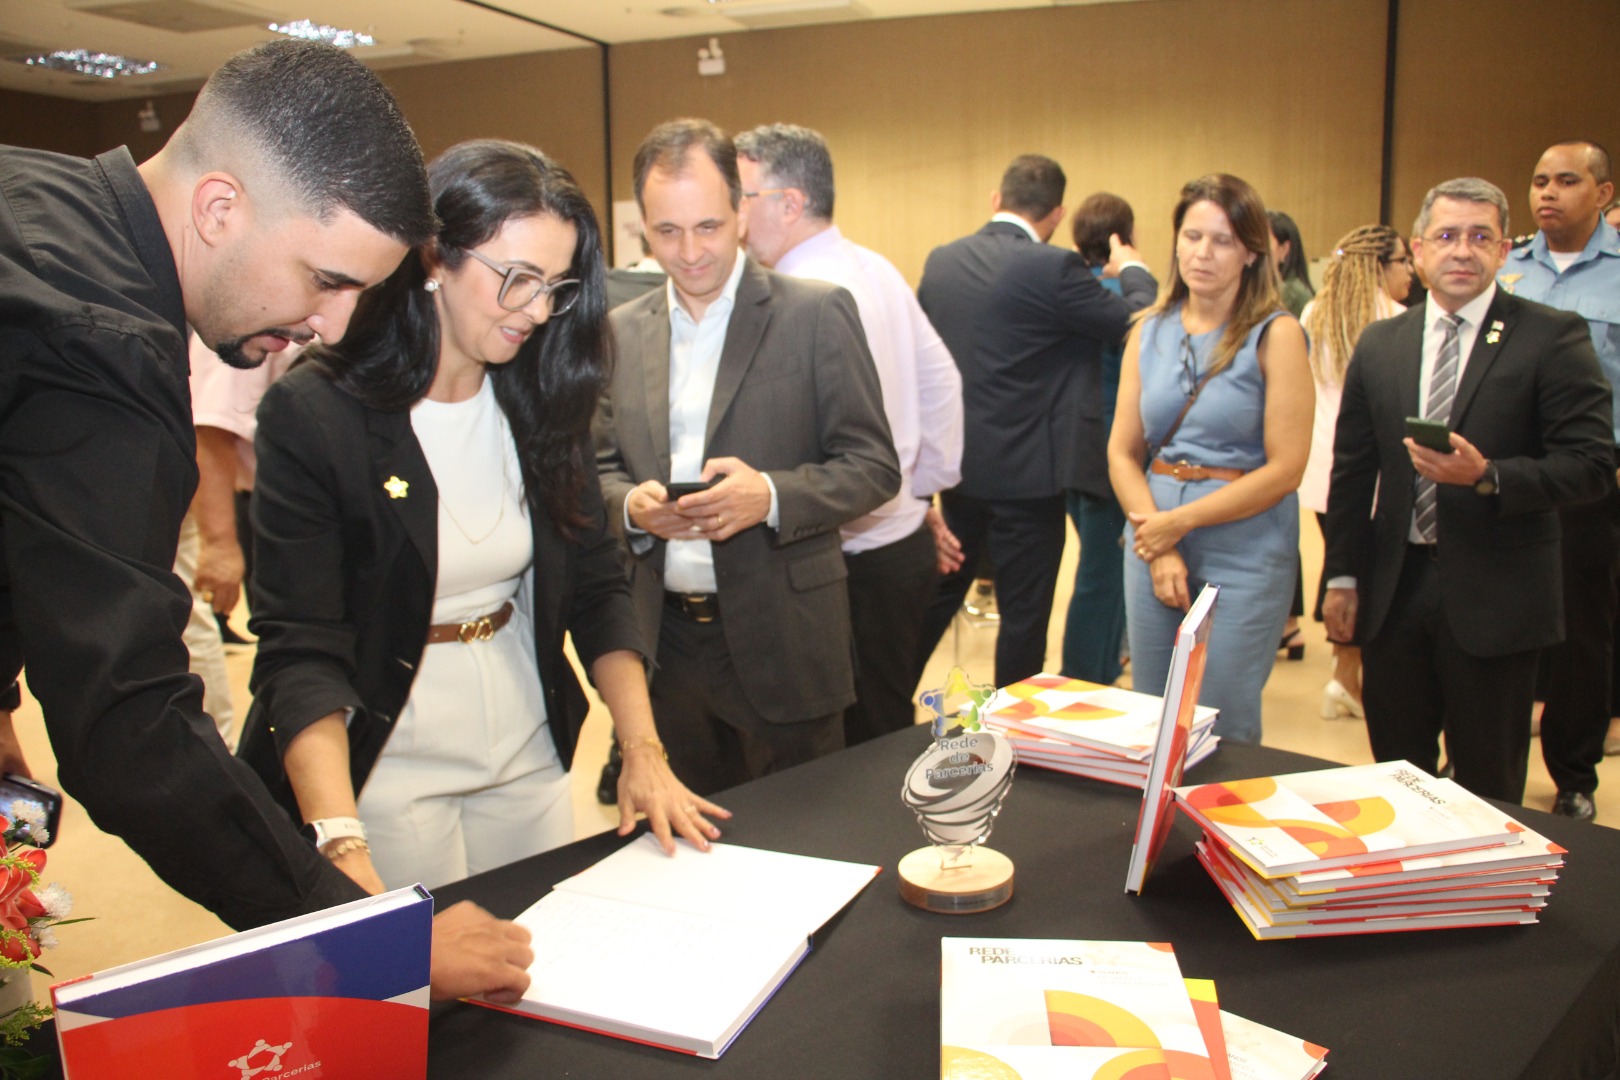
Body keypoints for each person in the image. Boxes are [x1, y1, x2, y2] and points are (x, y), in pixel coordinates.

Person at [0, 39, 533, 1002]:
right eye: (327, 280)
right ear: (219, 208)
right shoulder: (100, 337)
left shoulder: (36, 201)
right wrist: (374, 938)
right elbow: (129, 725)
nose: (331, 327)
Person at [239, 141, 725, 892]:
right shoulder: (318, 413)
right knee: (423, 984)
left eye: (555, 287)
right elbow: (301, 648)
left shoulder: (543, 395)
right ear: (434, 258)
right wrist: (338, 844)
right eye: (517, 279)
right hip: (388, 755)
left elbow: (598, 587)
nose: (536, 311)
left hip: (524, 740)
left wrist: (643, 750)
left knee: (532, 949)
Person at [594, 119, 900, 797]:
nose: (691, 251)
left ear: (741, 212)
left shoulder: (814, 315)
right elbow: (599, 469)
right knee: (692, 857)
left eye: (707, 226)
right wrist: (634, 509)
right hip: (666, 648)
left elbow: (875, 466)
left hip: (785, 640)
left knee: (804, 844)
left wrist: (771, 495)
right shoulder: (619, 332)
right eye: (667, 232)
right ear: (643, 228)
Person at [1323, 177, 1613, 806]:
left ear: (1505, 251)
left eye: (1480, 237)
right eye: (1447, 236)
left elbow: (1591, 464)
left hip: (1499, 596)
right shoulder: (1382, 343)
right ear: (1418, 249)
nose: (1463, 250)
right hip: (1395, 592)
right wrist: (1342, 576)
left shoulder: (1551, 337)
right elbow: (1351, 473)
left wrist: (1490, 475)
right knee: (1395, 775)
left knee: (1485, 787)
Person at [734, 122, 963, 745]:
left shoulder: (799, 297)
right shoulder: (876, 266)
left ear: (789, 203)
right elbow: (942, 383)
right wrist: (922, 497)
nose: (732, 215)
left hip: (842, 560)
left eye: (741, 197)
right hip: (895, 543)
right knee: (883, 722)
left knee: (843, 741)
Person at [916, 155, 1156, 687]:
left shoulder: (943, 261)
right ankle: (1009, 734)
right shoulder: (1052, 269)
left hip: (957, 472)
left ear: (996, 200)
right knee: (1023, 617)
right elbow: (1135, 317)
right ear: (1057, 213)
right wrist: (1132, 268)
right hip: (1030, 480)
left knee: (938, 597)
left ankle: (883, 706)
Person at [1107, 174, 1313, 745]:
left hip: (1244, 547)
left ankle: (1221, 833)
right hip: (1153, 540)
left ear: (1252, 251)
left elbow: (1286, 469)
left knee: (1221, 717)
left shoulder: (1277, 335)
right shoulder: (1148, 330)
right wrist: (1161, 540)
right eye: (1192, 236)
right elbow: (1122, 453)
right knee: (1154, 712)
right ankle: (1155, 833)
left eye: (1221, 240)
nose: (1203, 253)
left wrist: (1181, 522)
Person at [1497, 140, 1620, 820]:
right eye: (1539, 180)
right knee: (1501, 618)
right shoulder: (1509, 268)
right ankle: (1490, 751)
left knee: (1581, 633)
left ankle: (1574, 774)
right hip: (1504, 476)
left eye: (1567, 181)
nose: (1547, 193)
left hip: (1586, 479)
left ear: (1602, 192)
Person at [1299, 225, 1412, 720]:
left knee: (1343, 566)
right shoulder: (1400, 322)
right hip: (1373, 474)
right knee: (1374, 578)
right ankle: (1349, 677)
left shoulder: (1314, 313)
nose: (1410, 271)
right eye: (1403, 261)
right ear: (1380, 267)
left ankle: (1344, 675)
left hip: (1322, 470)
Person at [1059, 192, 1137, 686]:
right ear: (1122, 238)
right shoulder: (1116, 297)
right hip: (1109, 453)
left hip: (1067, 447)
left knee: (1102, 568)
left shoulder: (1063, 289)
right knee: (1102, 573)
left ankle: (1103, 666)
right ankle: (1083, 677)